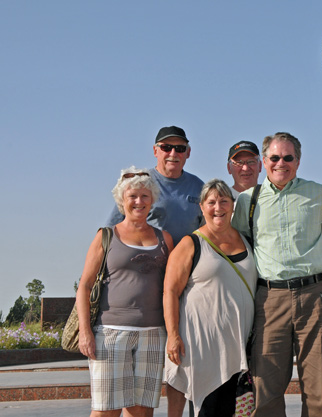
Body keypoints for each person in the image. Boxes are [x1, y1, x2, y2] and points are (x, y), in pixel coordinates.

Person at [232, 132, 322, 417]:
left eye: (288, 157)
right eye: (275, 157)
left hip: (314, 296)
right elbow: (239, 248)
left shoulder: (318, 194)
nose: (282, 163)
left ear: (298, 161)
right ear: (264, 161)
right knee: (266, 387)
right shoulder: (247, 201)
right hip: (269, 299)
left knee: (317, 386)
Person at [77, 167, 174, 417]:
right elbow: (85, 286)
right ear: (122, 200)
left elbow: (172, 288)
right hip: (110, 334)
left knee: (141, 411)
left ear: (152, 199)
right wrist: (86, 332)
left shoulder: (165, 239)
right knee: (105, 410)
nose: (138, 202)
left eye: (144, 196)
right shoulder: (106, 236)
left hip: (153, 333)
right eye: (132, 196)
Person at [164, 179, 257, 417]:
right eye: (212, 202)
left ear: (232, 206)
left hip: (237, 346)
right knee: (207, 408)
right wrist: (173, 335)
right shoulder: (190, 243)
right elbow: (171, 291)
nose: (218, 207)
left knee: (227, 409)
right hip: (202, 345)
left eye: (224, 201)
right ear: (202, 207)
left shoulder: (246, 239)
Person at [105, 126, 204, 245]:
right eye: (166, 147)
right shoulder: (139, 182)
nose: (173, 153)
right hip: (148, 259)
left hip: (188, 261)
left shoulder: (200, 187)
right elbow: (110, 231)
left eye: (180, 148)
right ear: (155, 151)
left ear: (188, 152)